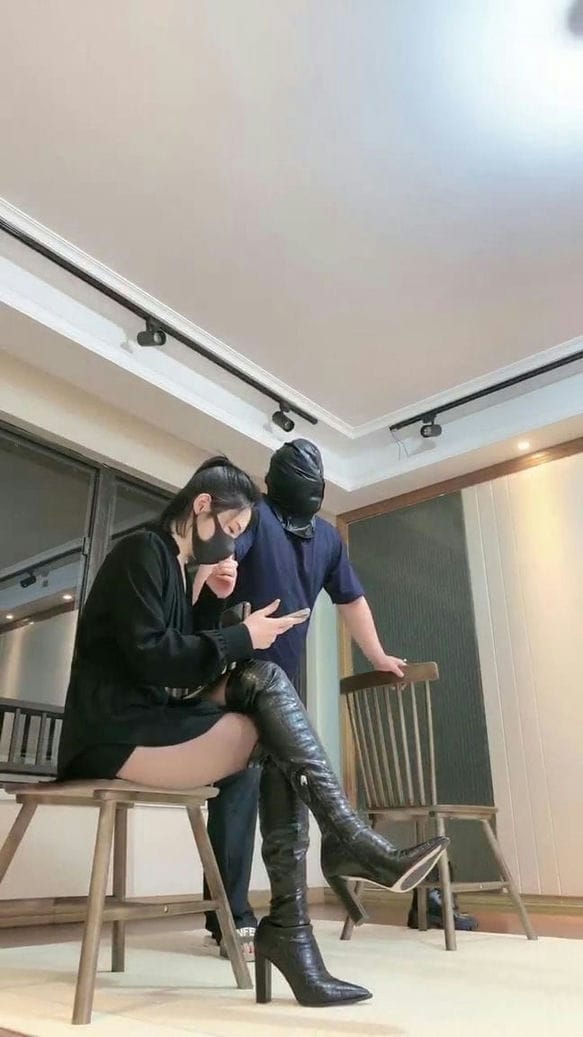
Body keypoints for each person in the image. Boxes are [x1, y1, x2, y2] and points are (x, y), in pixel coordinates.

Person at [57, 454, 448, 1007]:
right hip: (110, 734)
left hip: (147, 718)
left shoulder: (173, 563)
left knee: (263, 687)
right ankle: (318, 889)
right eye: (233, 528)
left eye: (241, 532)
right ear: (202, 507)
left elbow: (189, 657)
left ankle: (324, 879)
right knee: (269, 719)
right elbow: (156, 659)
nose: (234, 542)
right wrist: (243, 635)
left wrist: (219, 607)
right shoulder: (141, 551)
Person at [203, 440, 476, 957]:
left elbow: (350, 598)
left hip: (284, 685)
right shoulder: (254, 516)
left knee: (286, 797)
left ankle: (289, 919)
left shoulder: (326, 538)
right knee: (237, 797)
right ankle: (229, 918)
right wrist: (219, 576)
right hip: (235, 676)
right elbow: (220, 563)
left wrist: (377, 655)